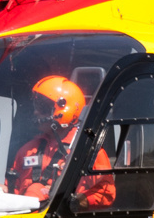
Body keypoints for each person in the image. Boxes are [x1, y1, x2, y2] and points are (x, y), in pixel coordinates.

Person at [8, 74, 115, 209]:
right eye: (36, 106)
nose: (36, 112)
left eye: (43, 107)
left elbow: (106, 193)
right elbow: (13, 188)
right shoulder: (27, 150)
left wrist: (75, 201)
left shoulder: (88, 152)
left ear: (64, 109)